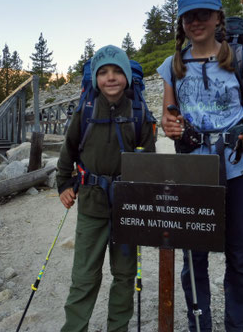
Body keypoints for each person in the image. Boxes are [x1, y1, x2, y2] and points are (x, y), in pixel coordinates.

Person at [157, 0, 243, 332]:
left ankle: (235, 326)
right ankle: (199, 326)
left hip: (237, 166)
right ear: (181, 23)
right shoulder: (172, 66)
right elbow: (167, 116)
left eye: (204, 14)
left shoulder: (238, 58)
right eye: (189, 16)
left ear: (219, 17)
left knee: (239, 253)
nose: (196, 22)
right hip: (193, 170)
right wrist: (170, 125)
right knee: (194, 257)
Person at [57, 45, 156, 332]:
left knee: (124, 275)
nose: (110, 78)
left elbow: (149, 162)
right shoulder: (85, 110)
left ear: (126, 75)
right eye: (103, 72)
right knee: (84, 276)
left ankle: (118, 328)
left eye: (117, 71)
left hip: (128, 208)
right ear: (95, 78)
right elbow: (69, 150)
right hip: (91, 204)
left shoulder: (139, 112)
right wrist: (64, 183)